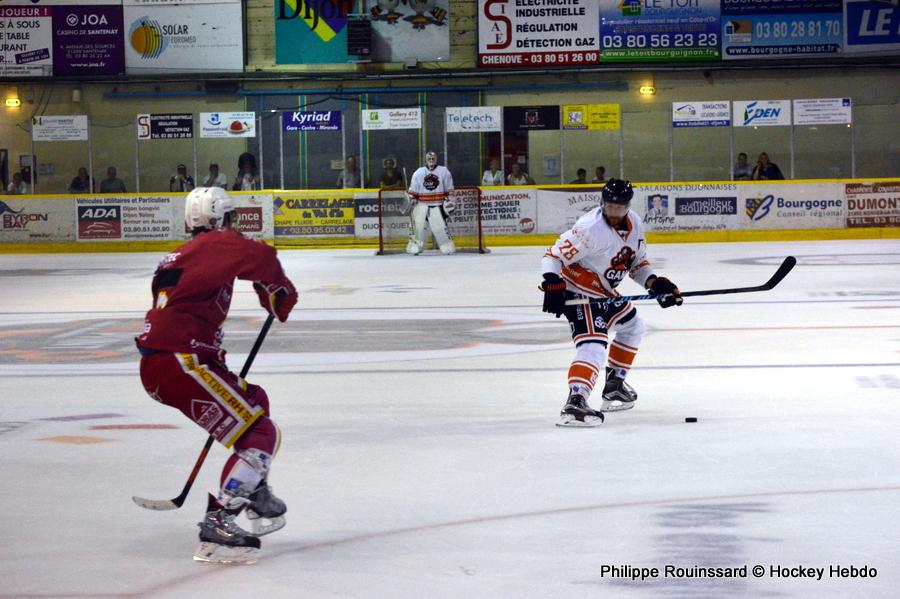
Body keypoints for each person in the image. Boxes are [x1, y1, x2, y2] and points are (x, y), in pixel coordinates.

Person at [136, 186, 298, 564]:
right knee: (261, 433)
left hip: (173, 361)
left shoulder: (186, 254)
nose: (236, 226)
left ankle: (253, 491)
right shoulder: (216, 244)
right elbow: (262, 255)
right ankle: (219, 523)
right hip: (181, 361)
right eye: (232, 218)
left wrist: (263, 286)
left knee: (255, 400)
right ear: (220, 219)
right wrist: (278, 290)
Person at [540, 178, 683, 427]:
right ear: (602, 203)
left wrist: (655, 283)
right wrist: (552, 281)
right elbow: (553, 256)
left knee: (633, 326)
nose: (613, 211)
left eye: (619, 206)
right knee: (594, 344)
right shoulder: (589, 229)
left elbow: (637, 265)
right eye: (609, 205)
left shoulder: (635, 223)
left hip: (604, 292)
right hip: (579, 293)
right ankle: (575, 402)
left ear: (627, 206)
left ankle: (615, 384)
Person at [406, 150, 455, 255]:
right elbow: (413, 191)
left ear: (436, 159)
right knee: (418, 229)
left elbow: (449, 190)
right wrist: (411, 199)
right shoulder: (418, 172)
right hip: (421, 206)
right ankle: (415, 247)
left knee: (440, 229)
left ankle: (447, 247)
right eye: (429, 159)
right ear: (425, 160)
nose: (431, 161)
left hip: (437, 206)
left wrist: (449, 202)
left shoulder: (444, 171)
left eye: (433, 159)